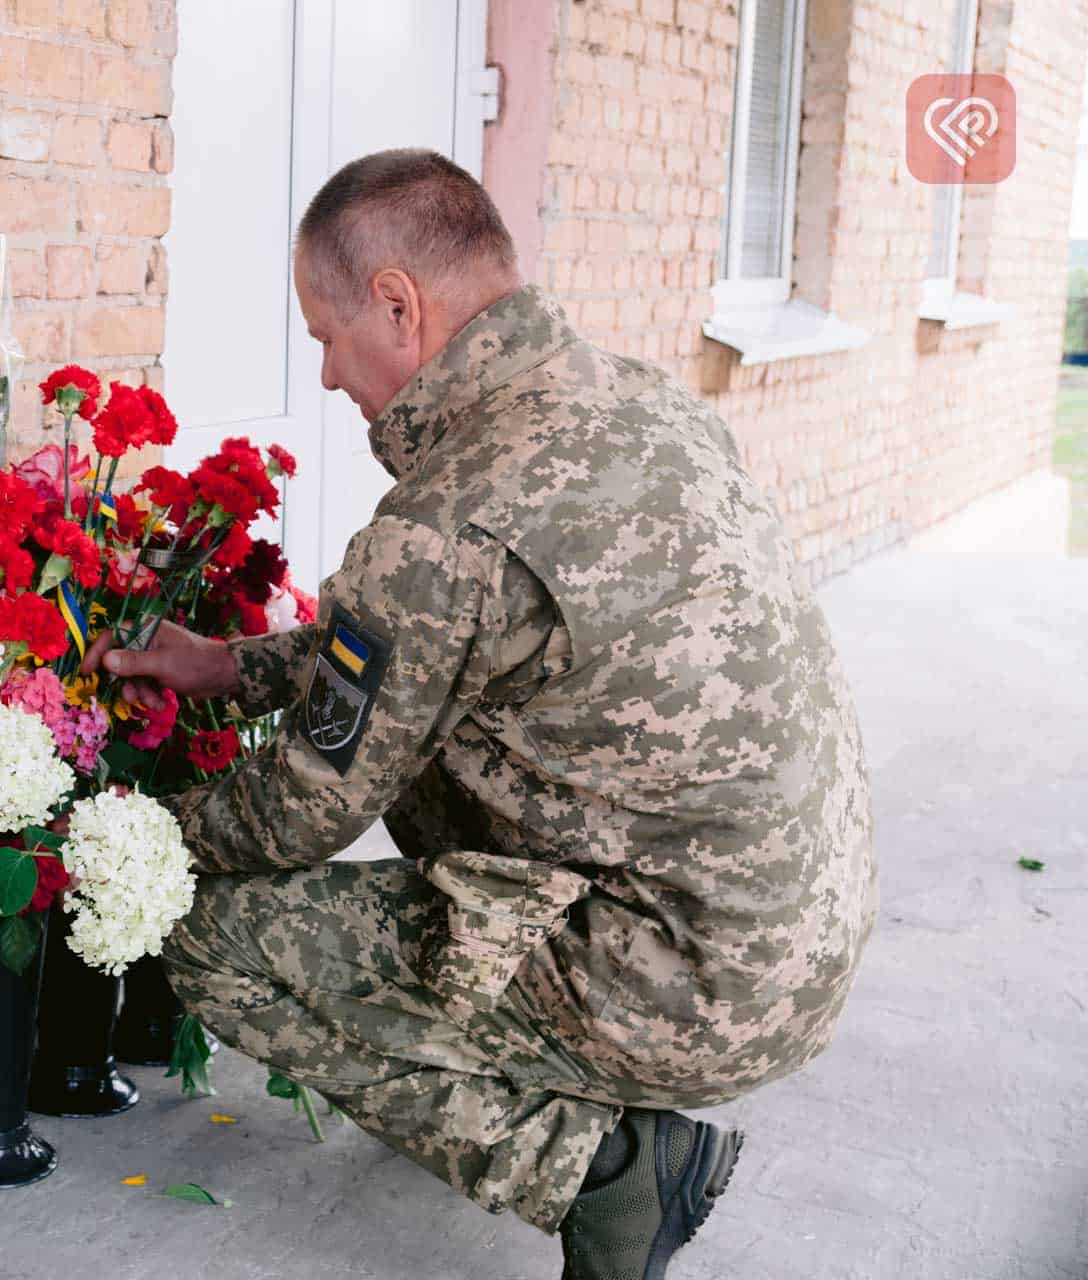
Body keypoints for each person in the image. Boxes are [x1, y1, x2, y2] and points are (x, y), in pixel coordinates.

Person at [80, 149, 877, 1279]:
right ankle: (532, 1072)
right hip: (790, 936)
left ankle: (606, 1170)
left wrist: (127, 853)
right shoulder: (635, 398)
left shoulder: (450, 517)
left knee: (217, 940)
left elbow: (297, 813)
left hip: (682, 985)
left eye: (326, 333)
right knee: (444, 774)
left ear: (399, 305)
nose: (326, 372)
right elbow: (439, 642)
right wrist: (235, 665)